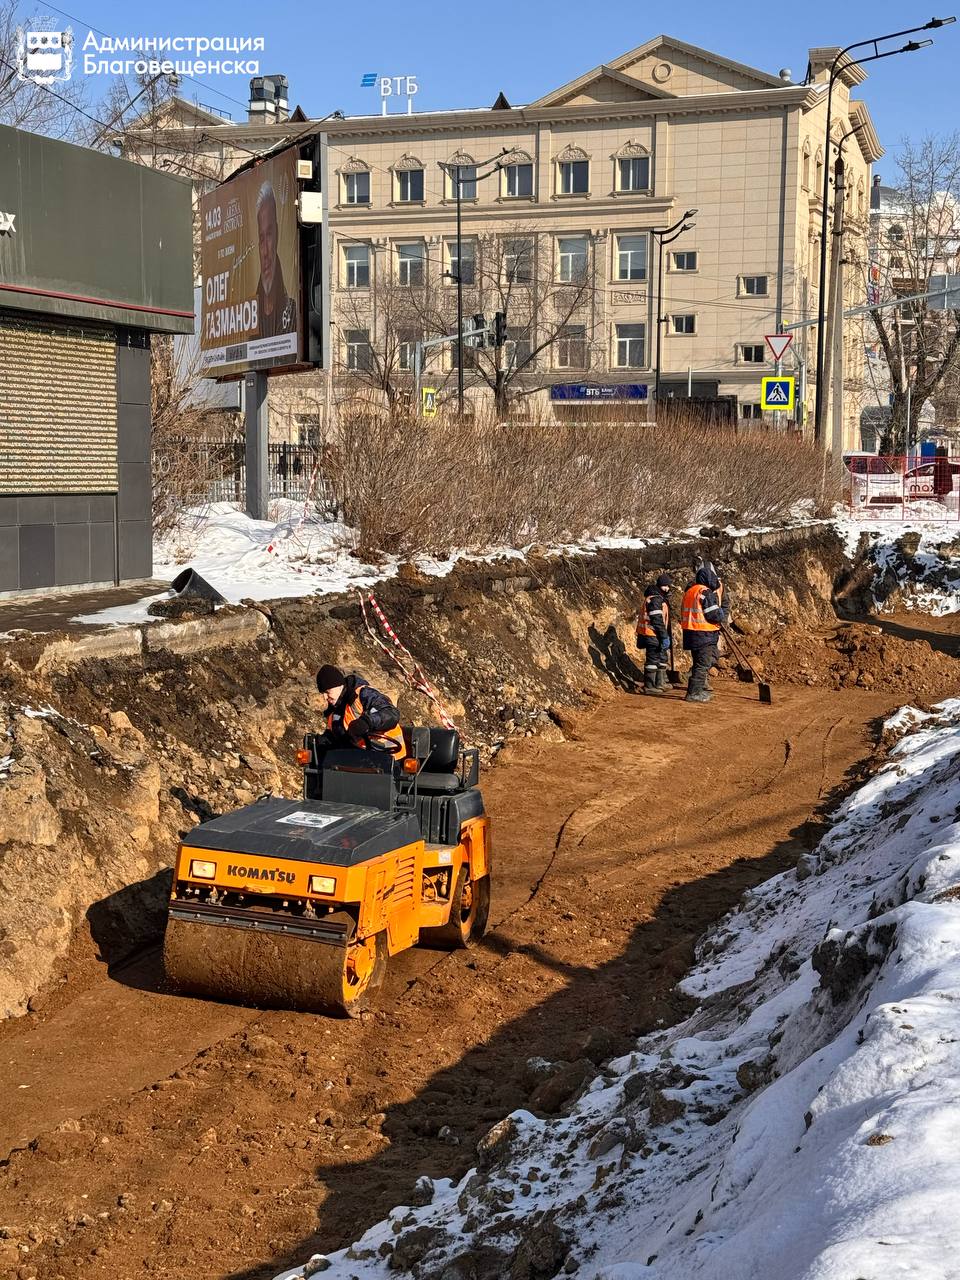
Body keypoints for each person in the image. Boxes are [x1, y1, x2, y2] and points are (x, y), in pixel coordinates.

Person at [315, 665, 407, 760]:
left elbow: (391, 713)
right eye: (323, 693)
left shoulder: (364, 694)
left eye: (327, 692)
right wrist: (324, 742)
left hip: (390, 759)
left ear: (339, 686)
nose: (325, 697)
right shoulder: (334, 712)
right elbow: (340, 739)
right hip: (361, 762)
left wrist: (366, 722)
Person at [255, 181, 298, 339]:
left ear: (278, 234)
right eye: (261, 238)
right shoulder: (250, 317)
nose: (265, 251)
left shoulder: (293, 312)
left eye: (269, 235)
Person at [681, 561, 728, 704]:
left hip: (691, 632)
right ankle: (694, 693)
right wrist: (721, 615)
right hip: (704, 634)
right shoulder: (704, 593)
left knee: (698, 663)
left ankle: (698, 690)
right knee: (703, 664)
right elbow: (713, 614)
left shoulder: (691, 591)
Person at [636, 573, 673, 696]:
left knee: (660, 658)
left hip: (653, 634)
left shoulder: (657, 598)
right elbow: (657, 619)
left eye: (668, 586)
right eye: (665, 586)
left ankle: (659, 683)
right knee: (652, 660)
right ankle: (650, 686)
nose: (667, 589)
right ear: (660, 586)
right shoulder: (656, 599)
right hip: (651, 634)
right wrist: (664, 636)